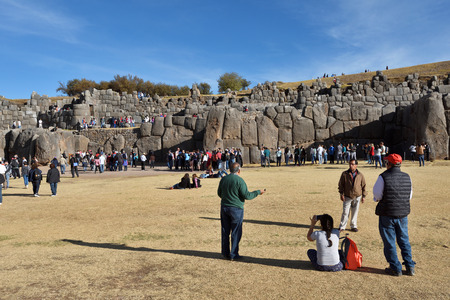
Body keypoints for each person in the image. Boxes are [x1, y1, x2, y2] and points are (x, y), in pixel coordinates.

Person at [373, 153, 415, 276]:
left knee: (389, 241)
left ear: (389, 164)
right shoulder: (407, 177)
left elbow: (377, 195)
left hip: (387, 214)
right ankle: (409, 266)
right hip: (402, 214)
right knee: (404, 240)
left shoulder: (383, 177)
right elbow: (409, 195)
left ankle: (395, 267)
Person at [217, 162, 265, 260]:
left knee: (225, 231)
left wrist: (227, 198)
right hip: (236, 209)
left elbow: (219, 193)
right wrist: (258, 192)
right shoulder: (239, 181)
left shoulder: (224, 179)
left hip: (224, 207)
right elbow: (246, 195)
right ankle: (234, 254)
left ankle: (225, 252)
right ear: (239, 170)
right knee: (236, 231)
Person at [338, 159, 367, 232]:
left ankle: (353, 226)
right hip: (347, 196)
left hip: (357, 196)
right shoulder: (344, 174)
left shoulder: (360, 175)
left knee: (355, 212)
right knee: (345, 212)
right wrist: (341, 194)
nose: (351, 166)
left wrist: (364, 196)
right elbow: (341, 185)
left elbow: (364, 186)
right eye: (350, 164)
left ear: (356, 165)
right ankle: (342, 226)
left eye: (352, 164)